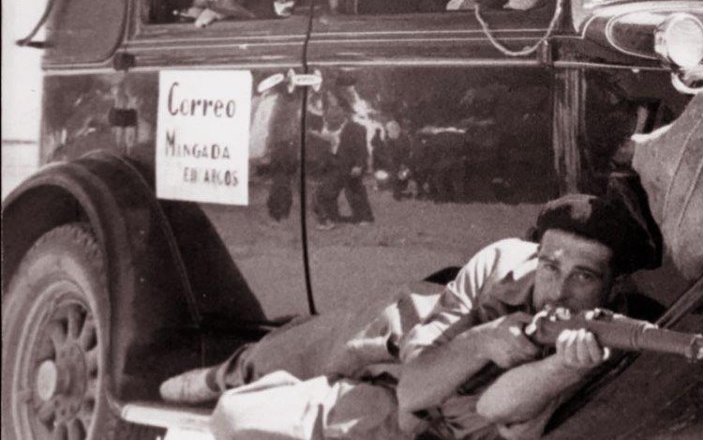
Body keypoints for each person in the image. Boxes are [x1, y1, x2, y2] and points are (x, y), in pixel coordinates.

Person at [159, 193, 660, 440]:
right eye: (551, 267)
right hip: (399, 360)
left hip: (426, 426)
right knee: (275, 371)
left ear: (612, 286)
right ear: (535, 256)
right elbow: (415, 386)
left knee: (242, 419)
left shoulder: (604, 336)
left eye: (583, 276)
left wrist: (562, 365)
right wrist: (484, 341)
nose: (560, 288)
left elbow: (496, 412)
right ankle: (223, 372)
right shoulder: (501, 261)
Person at [311, 89, 374, 228]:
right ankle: (330, 218)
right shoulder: (329, 126)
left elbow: (362, 149)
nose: (332, 112)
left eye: (336, 107)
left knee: (354, 190)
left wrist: (359, 165)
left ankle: (363, 217)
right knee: (325, 191)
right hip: (335, 163)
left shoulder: (356, 128)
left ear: (344, 111)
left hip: (349, 164)